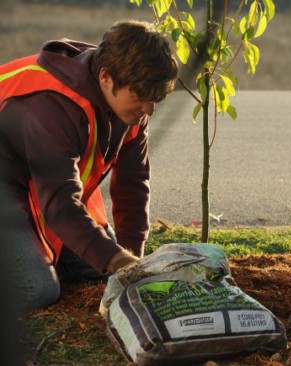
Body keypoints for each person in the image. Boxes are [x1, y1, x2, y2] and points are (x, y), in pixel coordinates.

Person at [0, 20, 179, 311]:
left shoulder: (132, 99)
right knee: (35, 288)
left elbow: (133, 185)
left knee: (99, 267)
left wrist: (132, 259)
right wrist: (118, 262)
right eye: (141, 98)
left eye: (154, 99)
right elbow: (60, 205)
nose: (149, 109)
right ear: (106, 77)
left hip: (35, 184)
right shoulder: (49, 106)